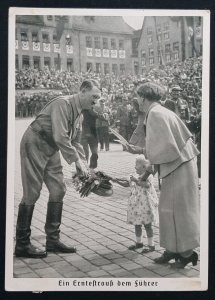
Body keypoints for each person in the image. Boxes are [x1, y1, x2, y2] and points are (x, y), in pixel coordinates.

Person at [15, 79, 101, 258]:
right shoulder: (63, 103)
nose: (96, 101)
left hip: (51, 147)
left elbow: (75, 142)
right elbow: (61, 136)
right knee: (32, 192)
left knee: (59, 189)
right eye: (94, 96)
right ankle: (22, 244)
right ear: (82, 90)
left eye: (98, 98)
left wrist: (84, 166)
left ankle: (52, 241)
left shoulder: (81, 114)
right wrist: (76, 162)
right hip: (36, 141)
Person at [126, 82, 200, 268]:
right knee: (169, 210)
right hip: (178, 163)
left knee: (179, 211)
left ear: (143, 97)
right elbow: (165, 146)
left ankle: (187, 254)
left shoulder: (156, 114)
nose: (137, 100)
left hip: (178, 165)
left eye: (137, 96)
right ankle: (173, 250)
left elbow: (165, 148)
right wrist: (141, 150)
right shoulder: (158, 111)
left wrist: (139, 152)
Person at [112, 155, 158, 253]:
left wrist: (136, 181)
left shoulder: (149, 176)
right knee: (137, 224)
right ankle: (139, 242)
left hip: (146, 205)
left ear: (144, 167)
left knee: (147, 225)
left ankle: (151, 245)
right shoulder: (135, 175)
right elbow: (126, 184)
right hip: (136, 205)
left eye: (137, 165)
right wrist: (117, 181)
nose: (135, 167)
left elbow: (146, 185)